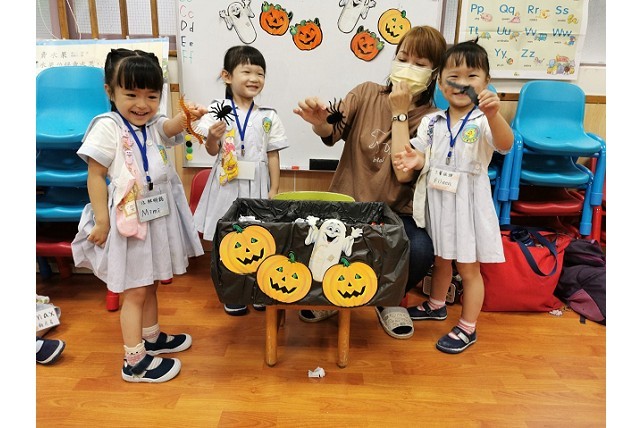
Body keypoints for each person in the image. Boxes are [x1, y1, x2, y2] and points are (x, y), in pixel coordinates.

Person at [292, 26, 447, 339]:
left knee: (420, 249)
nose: (408, 68)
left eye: (419, 64)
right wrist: (320, 125)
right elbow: (332, 129)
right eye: (403, 58)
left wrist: (400, 113)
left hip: (395, 213)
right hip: (347, 204)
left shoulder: (433, 120)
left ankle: (387, 299)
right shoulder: (366, 93)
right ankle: (332, 295)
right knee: (311, 237)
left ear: (434, 74)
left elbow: (404, 173)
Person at [71, 48, 206, 382]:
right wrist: (101, 221)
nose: (142, 104)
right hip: (128, 221)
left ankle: (151, 337)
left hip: (155, 216)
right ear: (110, 91)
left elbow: (171, 126)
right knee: (134, 290)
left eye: (152, 96)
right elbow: (95, 175)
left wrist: (187, 116)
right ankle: (134, 361)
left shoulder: (153, 123)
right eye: (131, 95)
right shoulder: (108, 126)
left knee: (151, 282)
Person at [392, 39, 514, 353]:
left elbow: (505, 145)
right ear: (440, 83)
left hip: (468, 204)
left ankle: (468, 327)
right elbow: (424, 154)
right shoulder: (432, 121)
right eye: (453, 76)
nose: (461, 83)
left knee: (468, 268)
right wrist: (416, 160)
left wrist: (494, 114)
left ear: (486, 82)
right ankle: (436, 304)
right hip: (439, 199)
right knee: (441, 258)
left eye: (471, 76)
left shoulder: (484, 120)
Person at [192, 45, 289, 316]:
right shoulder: (217, 109)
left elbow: (273, 155)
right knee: (228, 236)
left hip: (257, 183)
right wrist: (212, 137)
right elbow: (211, 150)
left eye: (260, 73)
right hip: (227, 182)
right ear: (227, 76)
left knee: (258, 235)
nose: (254, 78)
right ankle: (233, 292)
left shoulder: (269, 115)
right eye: (246, 71)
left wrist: (274, 189)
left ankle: (257, 288)